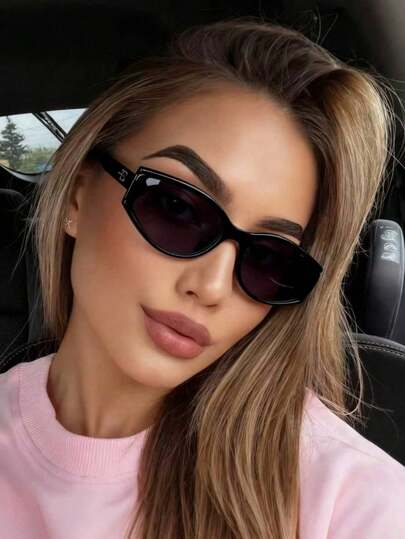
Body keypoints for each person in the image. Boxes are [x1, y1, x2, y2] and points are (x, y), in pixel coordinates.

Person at [1, 15, 405, 539]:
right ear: (77, 196)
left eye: (268, 258)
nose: (212, 287)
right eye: (177, 207)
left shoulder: (349, 500)